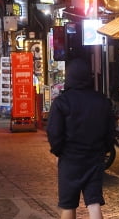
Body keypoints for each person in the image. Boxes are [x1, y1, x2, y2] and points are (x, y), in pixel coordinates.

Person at [46, 58, 115, 219]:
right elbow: (110, 131)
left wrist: (58, 152)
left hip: (70, 159)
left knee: (68, 204)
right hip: (95, 158)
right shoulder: (102, 101)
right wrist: (102, 150)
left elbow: (54, 131)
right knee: (94, 202)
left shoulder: (62, 102)